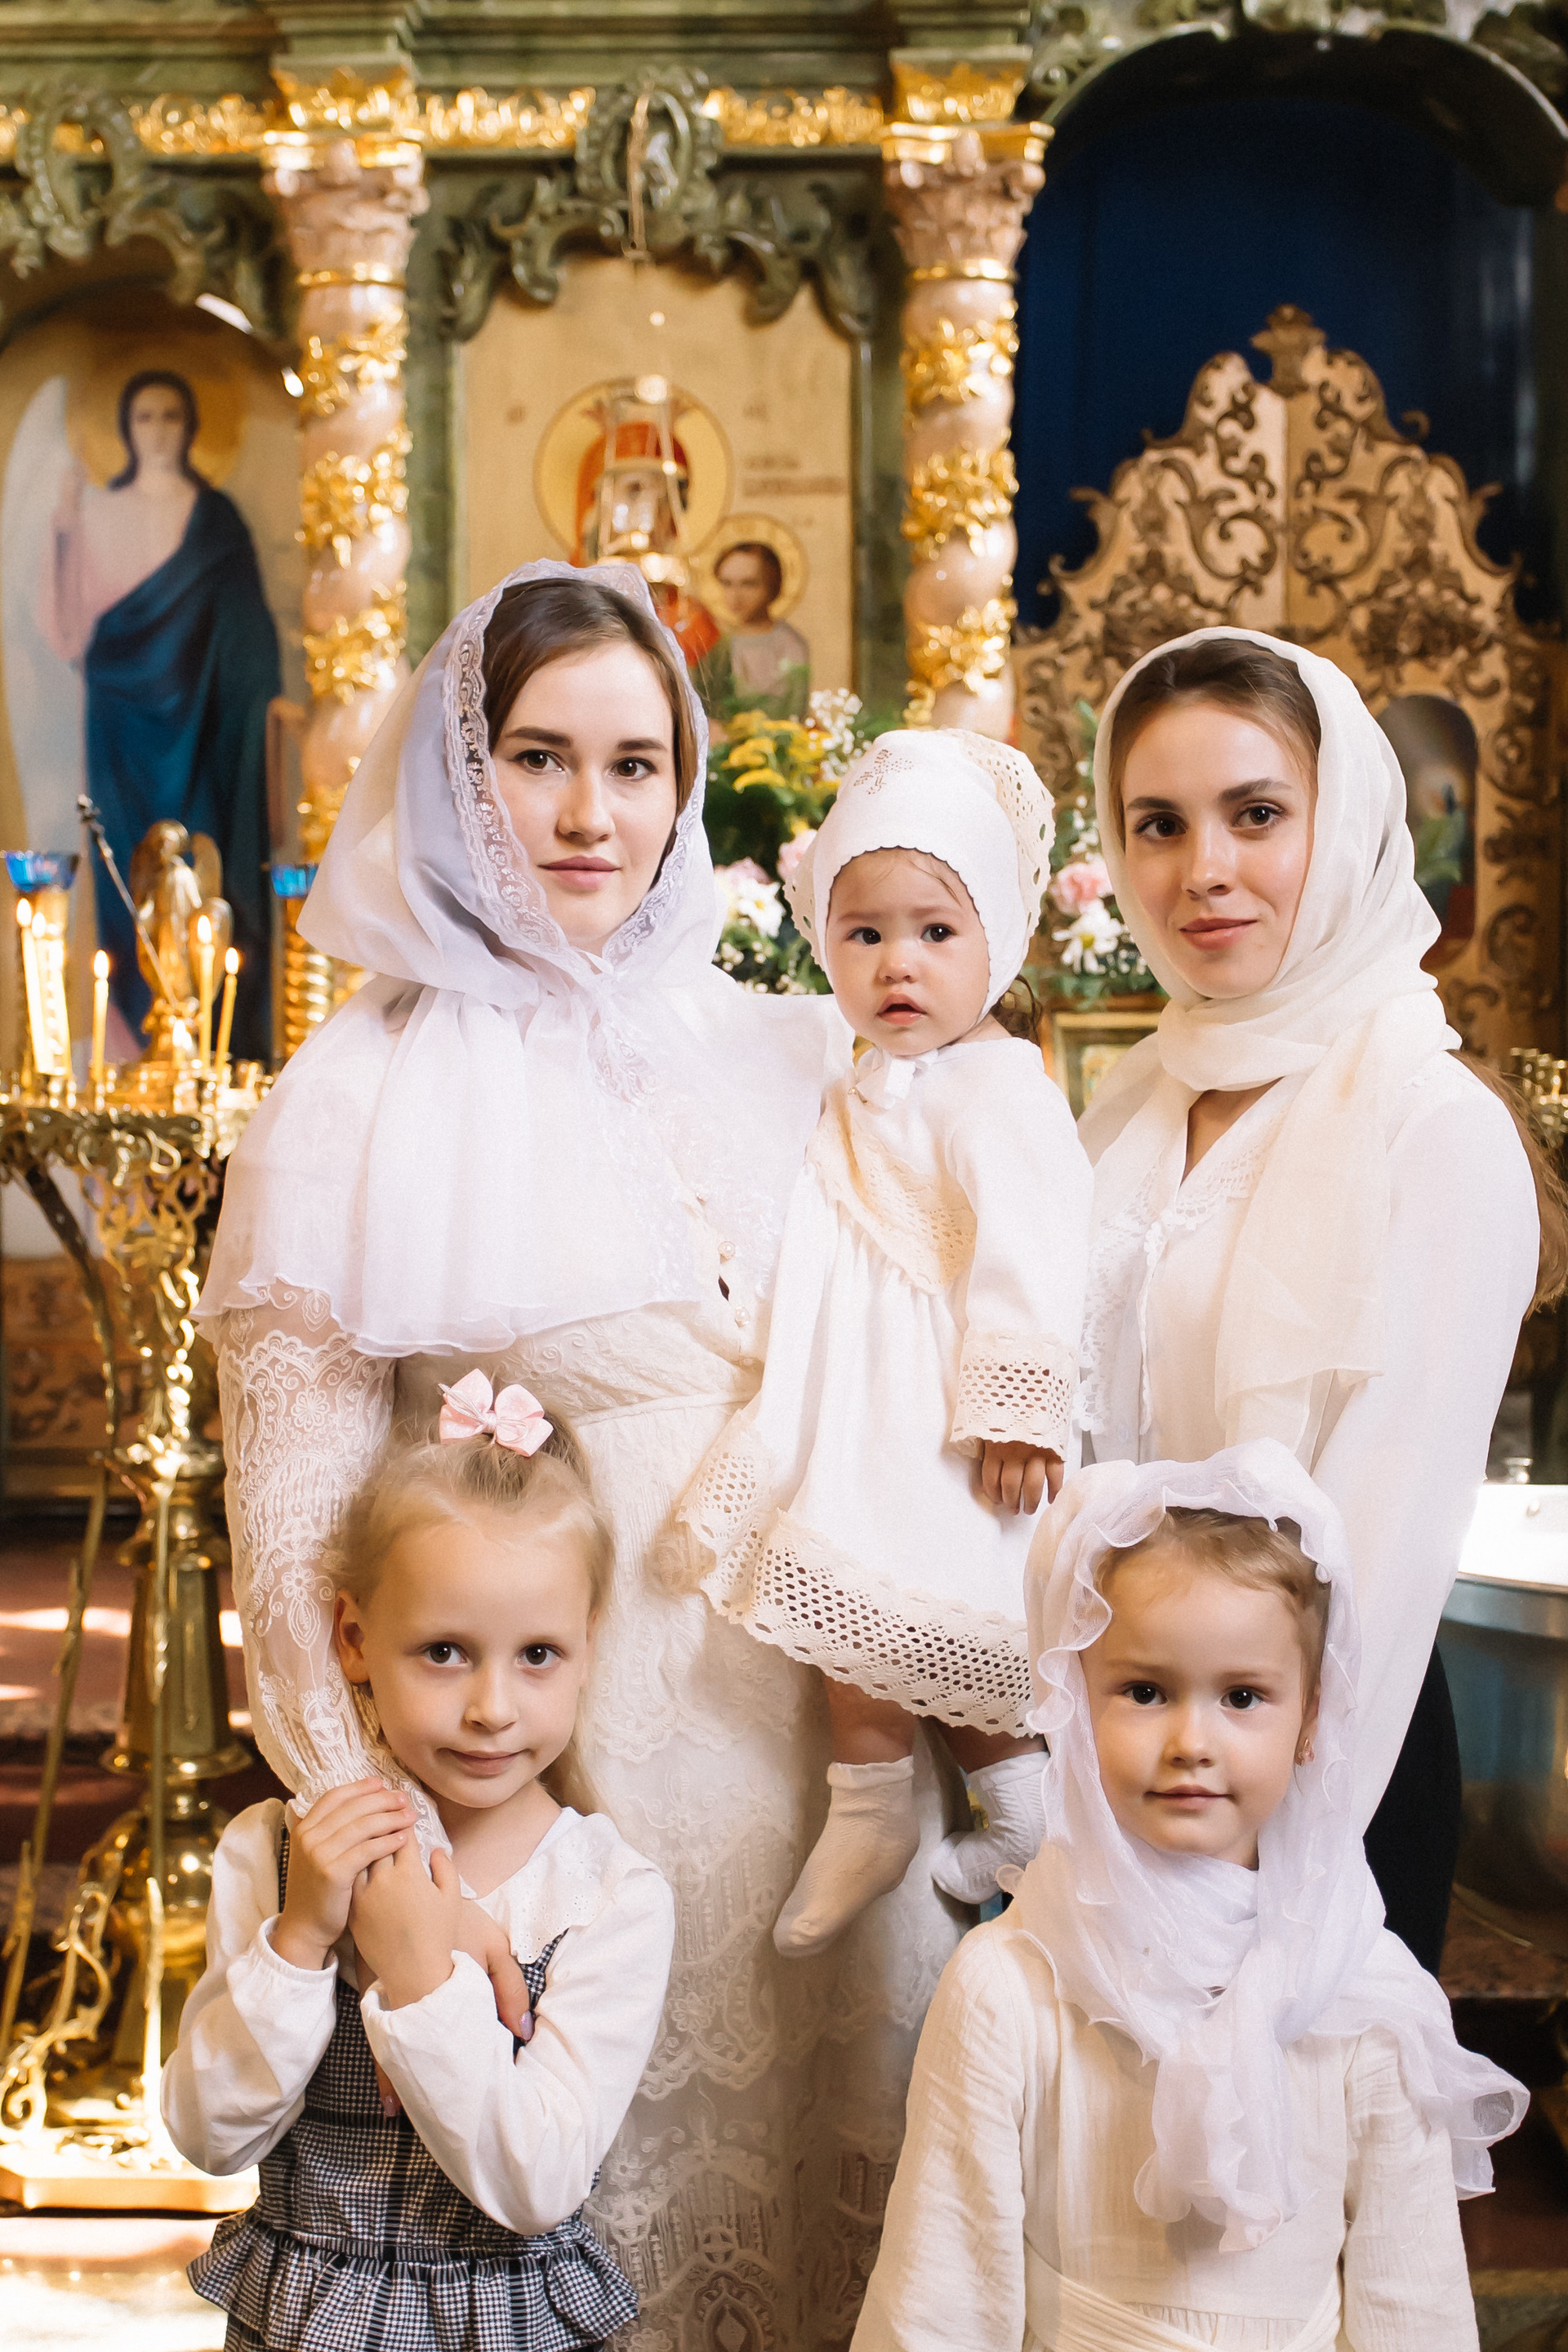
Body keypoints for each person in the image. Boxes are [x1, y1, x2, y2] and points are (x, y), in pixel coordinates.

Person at [197, 560, 964, 2350]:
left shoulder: (786, 1046)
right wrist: (400, 1885)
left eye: (637, 767)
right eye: (539, 758)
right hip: (566, 1802)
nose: (590, 815)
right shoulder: (353, 1102)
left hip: (841, 1767)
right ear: (457, 775)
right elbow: (298, 1556)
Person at [1073, 627, 1566, 1973]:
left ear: (1339, 822)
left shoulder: (1427, 1125)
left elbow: (1383, 1554)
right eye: (1159, 824)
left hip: (1320, 1766)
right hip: (1110, 1752)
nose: (1204, 869)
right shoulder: (1132, 1102)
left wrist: (1267, 1881)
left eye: (1256, 815)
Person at [854, 1444, 1526, 2352]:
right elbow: (942, 2296)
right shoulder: (1007, 1985)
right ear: (1075, 1704)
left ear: (1310, 1720)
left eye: (1243, 1696)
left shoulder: (1366, 1992)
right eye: (1145, 1691)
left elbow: (1414, 2305)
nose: (1191, 1742)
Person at [681, 730, 1092, 1951]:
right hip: (861, 1406)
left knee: (949, 1605)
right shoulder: (857, 1082)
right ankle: (868, 1810)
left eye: (935, 932)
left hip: (950, 1420)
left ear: (997, 944)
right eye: (863, 934)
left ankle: (1021, 1815)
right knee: (848, 1592)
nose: (896, 963)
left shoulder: (1003, 1087)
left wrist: (1017, 1404)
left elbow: (1038, 1245)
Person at [164, 1391, 672, 2352]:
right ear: (354, 1639)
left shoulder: (608, 1895)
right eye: (444, 1652)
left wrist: (422, 1978)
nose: (492, 1707)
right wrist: (301, 1941)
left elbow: (539, 2184)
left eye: (538, 1654)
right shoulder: (273, 1853)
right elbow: (209, 2135)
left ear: (588, 1648)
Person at [45, 368, 278, 1058]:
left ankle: (207, 1039)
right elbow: (67, 634)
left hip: (203, 731)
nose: (158, 431)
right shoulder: (95, 512)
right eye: (144, 416)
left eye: (171, 416)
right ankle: (136, 1039)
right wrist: (63, 530)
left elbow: (248, 636)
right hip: (120, 727)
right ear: (123, 427)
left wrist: (265, 703)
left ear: (192, 427)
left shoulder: (217, 519)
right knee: (128, 873)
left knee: (201, 868)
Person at [697, 541, 810, 720]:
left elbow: (794, 709)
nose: (735, 596)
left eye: (748, 584)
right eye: (727, 583)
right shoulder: (716, 642)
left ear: (772, 585)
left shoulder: (789, 643)